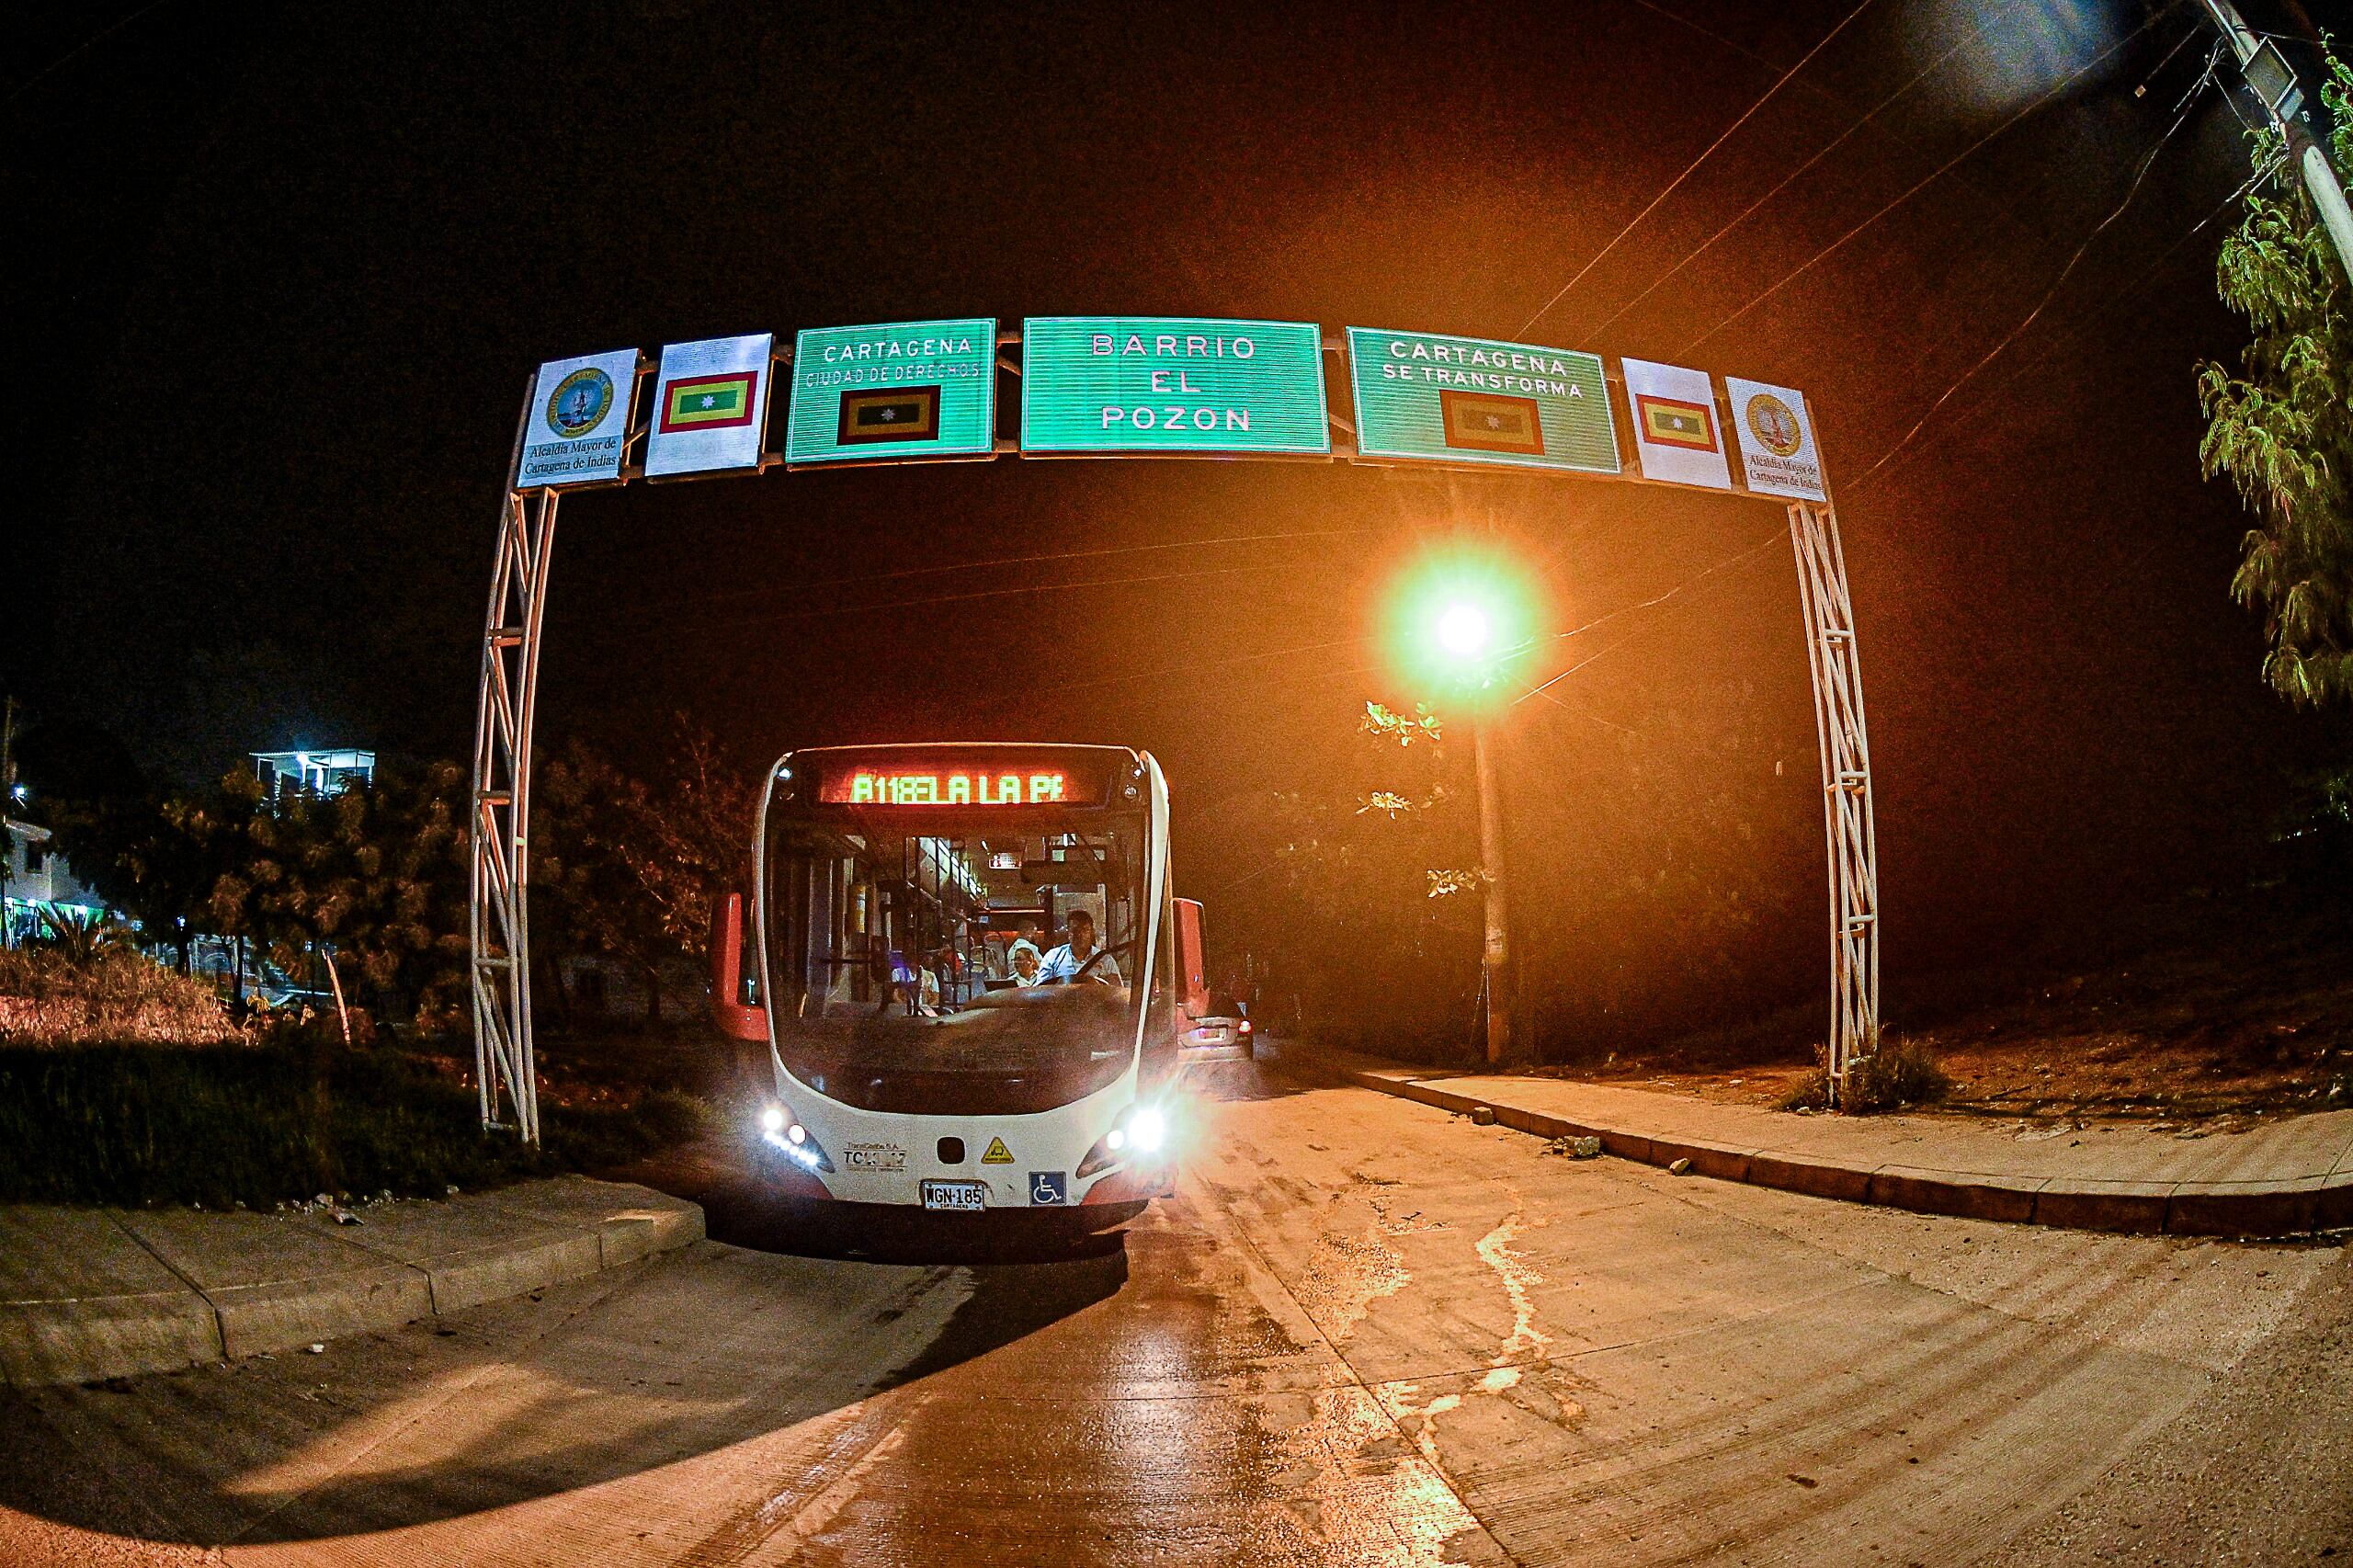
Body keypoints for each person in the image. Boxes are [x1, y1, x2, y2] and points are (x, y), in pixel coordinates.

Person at [1038, 908, 1121, 985]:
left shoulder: (1106, 960)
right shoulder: (1052, 957)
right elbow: (1040, 990)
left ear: (1091, 932)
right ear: (1068, 932)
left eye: (1085, 930)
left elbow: (1118, 991)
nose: (1080, 935)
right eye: (1075, 930)